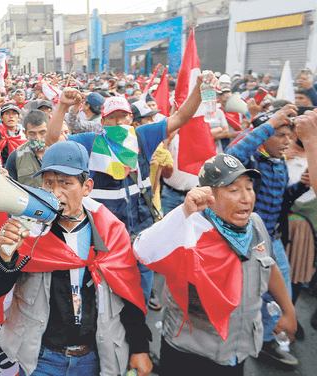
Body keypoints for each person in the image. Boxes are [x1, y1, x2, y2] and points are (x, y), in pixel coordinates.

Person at [45, 74, 218, 306]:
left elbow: (181, 117)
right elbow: (53, 141)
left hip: (141, 233)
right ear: (102, 121)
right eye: (112, 118)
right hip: (103, 238)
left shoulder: (143, 137)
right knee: (105, 299)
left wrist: (198, 88)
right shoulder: (90, 141)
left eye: (123, 117)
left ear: (131, 119)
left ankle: (139, 331)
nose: (118, 123)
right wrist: (63, 106)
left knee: (139, 298)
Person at [0, 141, 151, 376]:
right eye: (49, 183)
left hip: (95, 357)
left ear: (87, 187)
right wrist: (4, 255)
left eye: (66, 183)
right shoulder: (28, 231)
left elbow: (128, 291)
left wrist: (140, 348)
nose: (55, 193)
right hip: (41, 359)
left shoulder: (110, 232)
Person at [133, 154, 297, 375]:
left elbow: (269, 267)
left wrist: (288, 311)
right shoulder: (189, 227)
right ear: (209, 194)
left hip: (237, 351)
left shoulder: (255, 225)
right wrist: (184, 211)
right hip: (189, 354)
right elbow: (142, 250)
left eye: (249, 188)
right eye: (234, 190)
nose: (246, 198)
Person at [225, 104, 309, 366]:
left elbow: (281, 200)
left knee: (277, 292)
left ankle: (269, 342)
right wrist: (269, 124)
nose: (288, 141)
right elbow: (231, 153)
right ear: (264, 136)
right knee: (245, 295)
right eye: (279, 134)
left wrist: (299, 188)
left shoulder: (279, 162)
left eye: (289, 135)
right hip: (246, 242)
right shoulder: (250, 162)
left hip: (271, 239)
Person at [4, 109, 49, 188]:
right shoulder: (16, 156)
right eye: (32, 133)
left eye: (42, 133)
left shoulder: (59, 152)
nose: (38, 138)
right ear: (25, 133)